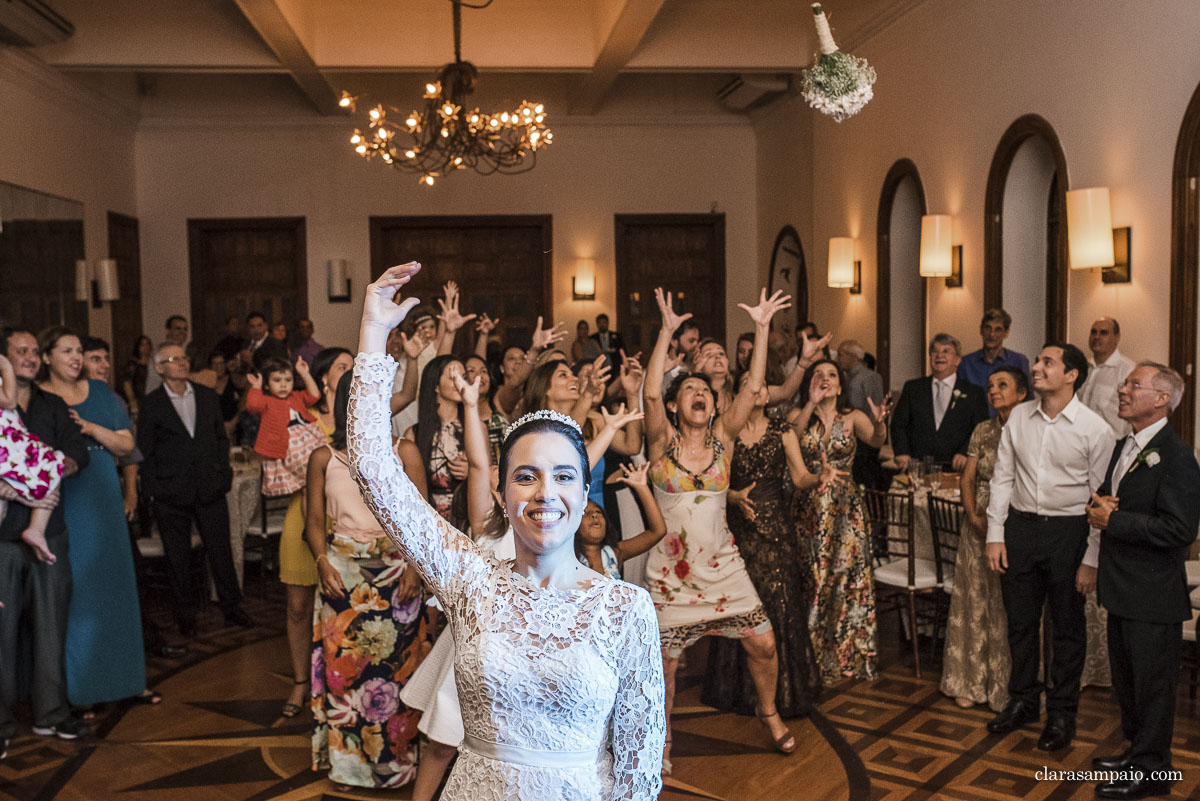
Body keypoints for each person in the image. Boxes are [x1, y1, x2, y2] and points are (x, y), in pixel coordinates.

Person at [349, 261, 665, 800]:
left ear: (581, 487)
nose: (546, 494)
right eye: (526, 476)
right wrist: (375, 333)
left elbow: (638, 775)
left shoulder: (625, 609)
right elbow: (372, 465)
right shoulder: (469, 580)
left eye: (564, 476)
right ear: (501, 490)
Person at [644, 286, 796, 771]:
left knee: (763, 642)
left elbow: (752, 390)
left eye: (705, 392)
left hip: (723, 567)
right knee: (666, 667)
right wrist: (666, 331)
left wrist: (763, 326)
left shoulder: (723, 439)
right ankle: (662, 741)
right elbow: (649, 390)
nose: (701, 395)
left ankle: (766, 709)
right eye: (690, 390)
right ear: (674, 405)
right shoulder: (660, 443)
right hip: (670, 573)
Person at [985, 343, 1115, 752]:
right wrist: (995, 534)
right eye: (1038, 360)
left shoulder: (1096, 430)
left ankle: (1061, 713)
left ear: (1071, 374)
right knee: (1021, 623)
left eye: (1046, 363)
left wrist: (1091, 558)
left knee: (1067, 629)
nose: (1036, 368)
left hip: (1070, 534)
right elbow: (1002, 477)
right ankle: (1023, 699)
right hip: (1021, 530)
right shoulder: (1019, 417)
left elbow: (1100, 498)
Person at [307, 371, 427, 790]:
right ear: (346, 405)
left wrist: (415, 566)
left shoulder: (404, 451)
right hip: (342, 574)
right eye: (358, 398)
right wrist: (322, 561)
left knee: (397, 672)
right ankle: (349, 768)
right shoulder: (324, 457)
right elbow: (313, 522)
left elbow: (421, 518)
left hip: (397, 572)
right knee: (346, 672)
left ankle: (397, 765)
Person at [1087, 363, 1200, 799]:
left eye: (1135, 384)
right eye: (1126, 382)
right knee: (1129, 684)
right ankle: (1138, 752)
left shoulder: (1175, 456)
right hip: (1123, 589)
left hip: (1153, 596)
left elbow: (1179, 530)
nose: (1122, 389)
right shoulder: (1125, 446)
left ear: (1161, 399)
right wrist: (1096, 507)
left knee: (1153, 690)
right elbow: (1108, 500)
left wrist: (1114, 520)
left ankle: (1153, 770)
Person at [702, 368, 841, 718]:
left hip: (777, 529)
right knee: (742, 606)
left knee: (780, 603)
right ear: (741, 392)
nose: (759, 388)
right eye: (751, 382)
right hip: (740, 529)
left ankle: (782, 692)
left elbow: (799, 477)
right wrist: (733, 496)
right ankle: (741, 690)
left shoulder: (782, 430)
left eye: (764, 383)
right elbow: (717, 480)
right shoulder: (727, 431)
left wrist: (819, 477)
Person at [36, 326, 149, 708]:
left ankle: (124, 682)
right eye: (66, 350)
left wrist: (88, 428)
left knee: (115, 589)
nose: (75, 357)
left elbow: (128, 444)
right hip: (65, 498)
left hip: (103, 496)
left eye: (79, 350)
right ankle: (79, 691)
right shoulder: (38, 398)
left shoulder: (101, 393)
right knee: (77, 595)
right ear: (46, 356)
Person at [0, 327, 88, 745]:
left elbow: (77, 454)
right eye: (22, 351)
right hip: (2, 540)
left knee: (52, 628)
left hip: (49, 533)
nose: (32, 358)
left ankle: (51, 713)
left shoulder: (53, 405)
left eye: (36, 351)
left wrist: (52, 472)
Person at [138, 343, 253, 636]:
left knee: (221, 551)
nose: (182, 363)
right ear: (160, 367)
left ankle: (232, 607)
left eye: (184, 358)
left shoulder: (206, 396)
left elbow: (220, 438)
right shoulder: (151, 404)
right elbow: (145, 452)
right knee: (178, 557)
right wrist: (154, 491)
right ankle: (185, 615)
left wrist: (223, 475)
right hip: (170, 493)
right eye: (173, 359)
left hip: (209, 487)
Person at [792, 358, 891, 682]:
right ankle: (810, 657)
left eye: (831, 374)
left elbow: (877, 441)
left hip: (845, 511)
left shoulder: (852, 418)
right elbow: (792, 437)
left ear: (841, 383)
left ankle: (846, 656)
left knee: (848, 581)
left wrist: (879, 424)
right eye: (818, 374)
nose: (825, 379)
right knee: (813, 580)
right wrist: (811, 402)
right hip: (809, 511)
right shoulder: (799, 415)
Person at [940, 366, 1027, 711]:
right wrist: (973, 516)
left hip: (1014, 523)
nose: (993, 391)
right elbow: (968, 478)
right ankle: (969, 680)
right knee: (973, 602)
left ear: (1021, 393)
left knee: (1008, 606)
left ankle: (1004, 689)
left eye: (1002, 385)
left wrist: (1001, 526)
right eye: (990, 385)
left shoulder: (1030, 429)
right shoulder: (983, 429)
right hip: (977, 522)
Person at [277, 347, 351, 718]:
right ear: (322, 377)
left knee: (339, 609)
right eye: (342, 367)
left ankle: (334, 683)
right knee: (297, 606)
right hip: (303, 518)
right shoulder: (305, 418)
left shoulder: (361, 418)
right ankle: (300, 682)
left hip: (347, 522)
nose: (351, 372)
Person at [891, 334, 988, 472]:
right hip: (917, 467)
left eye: (946, 351)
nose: (939, 356)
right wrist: (901, 451)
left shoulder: (974, 393)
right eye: (935, 351)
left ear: (957, 360)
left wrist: (967, 452)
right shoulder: (913, 388)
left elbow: (981, 429)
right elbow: (899, 424)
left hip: (957, 469)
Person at [0, 353, 63, 563]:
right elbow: (9, 401)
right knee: (48, 463)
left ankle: (36, 529)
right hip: (6, 441)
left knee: (50, 463)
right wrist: (6, 365)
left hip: (12, 438)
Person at [245, 356, 324, 497]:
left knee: (312, 487)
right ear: (267, 385)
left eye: (288, 380)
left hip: (309, 442)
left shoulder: (296, 396)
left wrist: (305, 374)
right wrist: (256, 387)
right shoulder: (266, 401)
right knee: (311, 484)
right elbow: (253, 405)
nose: (283, 385)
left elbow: (314, 395)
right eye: (277, 380)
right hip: (288, 448)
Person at [575, 463, 669, 580]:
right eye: (586, 513)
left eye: (598, 512)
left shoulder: (614, 553)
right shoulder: (568, 559)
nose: (594, 515)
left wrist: (642, 487)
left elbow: (658, 531)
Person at [957, 309, 1031, 412]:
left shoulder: (1019, 361)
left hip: (1010, 423)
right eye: (988, 328)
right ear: (981, 330)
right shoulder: (965, 363)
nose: (992, 334)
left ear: (1006, 333)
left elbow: (1028, 400)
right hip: (974, 425)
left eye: (998, 329)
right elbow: (960, 401)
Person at [837, 339, 886, 489]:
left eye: (841, 355)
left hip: (863, 441)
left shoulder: (864, 379)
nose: (838, 359)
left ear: (853, 356)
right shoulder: (848, 377)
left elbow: (869, 411)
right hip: (858, 438)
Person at [1078, 317, 1135, 438]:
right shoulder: (1081, 367)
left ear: (1116, 337)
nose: (1097, 337)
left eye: (1103, 333)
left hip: (1111, 444)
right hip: (1079, 441)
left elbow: (1134, 413)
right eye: (1093, 332)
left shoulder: (1127, 371)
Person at [121, 334, 152, 408]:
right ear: (138, 347)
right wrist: (132, 401)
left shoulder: (154, 363)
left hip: (151, 398)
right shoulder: (133, 365)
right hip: (138, 400)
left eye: (147, 344)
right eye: (143, 344)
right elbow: (127, 383)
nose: (146, 347)